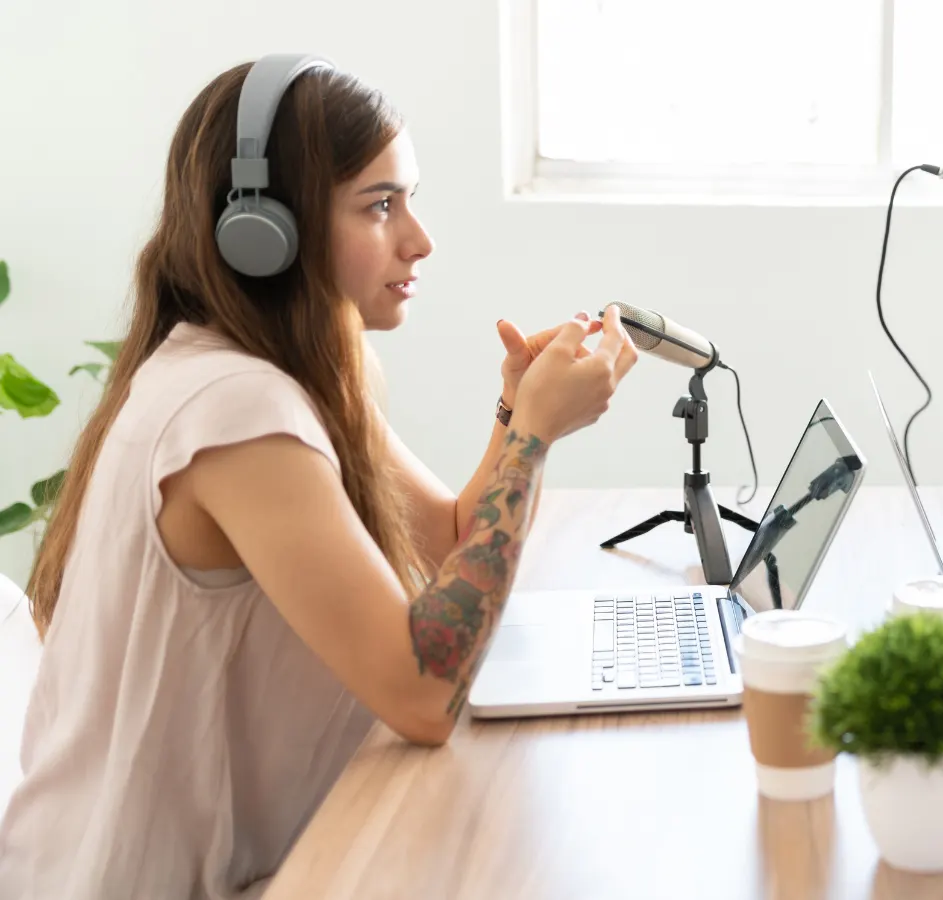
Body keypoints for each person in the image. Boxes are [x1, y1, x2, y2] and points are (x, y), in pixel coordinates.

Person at [0, 56, 636, 899]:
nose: (420, 237)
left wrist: (519, 417)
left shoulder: (280, 372)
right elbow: (424, 692)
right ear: (264, 229)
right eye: (380, 205)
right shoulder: (235, 409)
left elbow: (449, 544)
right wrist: (533, 439)